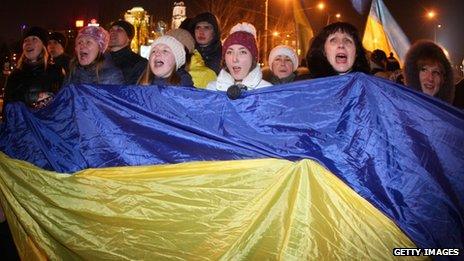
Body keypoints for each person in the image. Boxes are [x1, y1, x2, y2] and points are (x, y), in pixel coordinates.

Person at [3, 26, 64, 110]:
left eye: (34, 39)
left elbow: (63, 104)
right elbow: (6, 109)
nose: (28, 43)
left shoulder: (56, 71)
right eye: (26, 40)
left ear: (43, 45)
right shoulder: (14, 75)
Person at [206, 22, 272, 92]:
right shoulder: (212, 89)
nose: (235, 59)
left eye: (242, 52)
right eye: (229, 52)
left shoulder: (267, 91)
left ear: (253, 58)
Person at [306, 22, 370, 79]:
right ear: (323, 51)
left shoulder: (372, 87)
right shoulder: (305, 87)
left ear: (356, 52)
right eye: (334, 40)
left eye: (347, 40)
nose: (341, 45)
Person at [108, 20, 147, 85]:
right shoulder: (100, 59)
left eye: (119, 30)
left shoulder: (139, 63)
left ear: (129, 38)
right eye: (111, 30)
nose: (112, 32)